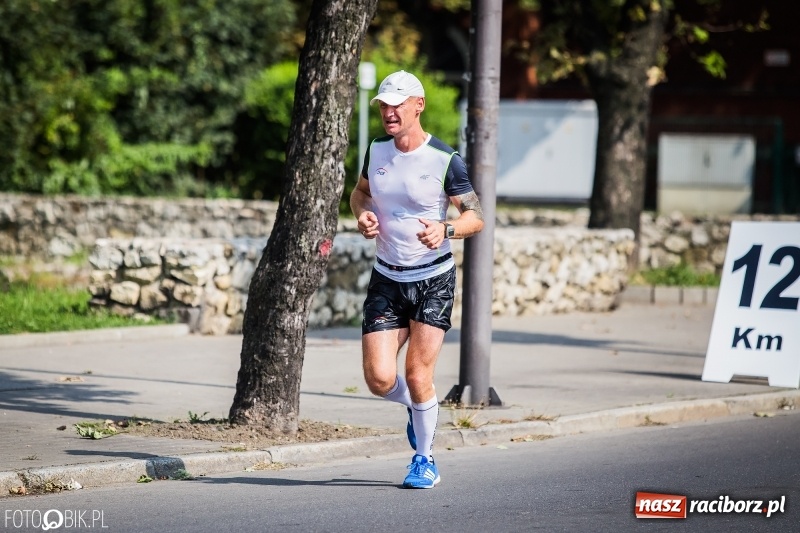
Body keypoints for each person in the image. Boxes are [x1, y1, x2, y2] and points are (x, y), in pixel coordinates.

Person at [350, 70, 484, 489]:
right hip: (386, 278)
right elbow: (359, 193)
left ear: (418, 105)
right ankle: (418, 408)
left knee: (417, 373)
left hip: (433, 279)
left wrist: (446, 230)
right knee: (378, 379)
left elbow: (475, 217)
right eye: (384, 105)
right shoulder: (376, 150)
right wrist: (362, 215)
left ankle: (424, 459)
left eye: (397, 104)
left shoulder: (446, 159)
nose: (389, 112)